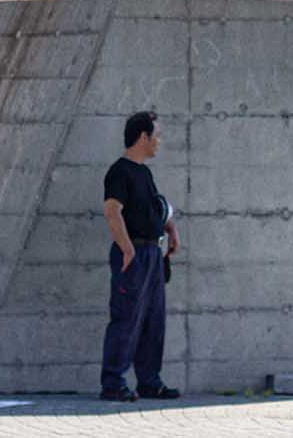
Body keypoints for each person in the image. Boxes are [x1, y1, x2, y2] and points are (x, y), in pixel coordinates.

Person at [100, 110, 181, 402]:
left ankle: (149, 382)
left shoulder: (144, 172)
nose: (159, 141)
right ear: (143, 136)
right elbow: (112, 212)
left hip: (152, 253)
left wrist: (171, 230)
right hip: (132, 254)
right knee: (126, 318)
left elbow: (158, 206)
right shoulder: (119, 172)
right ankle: (113, 384)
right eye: (156, 135)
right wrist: (127, 249)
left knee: (152, 320)